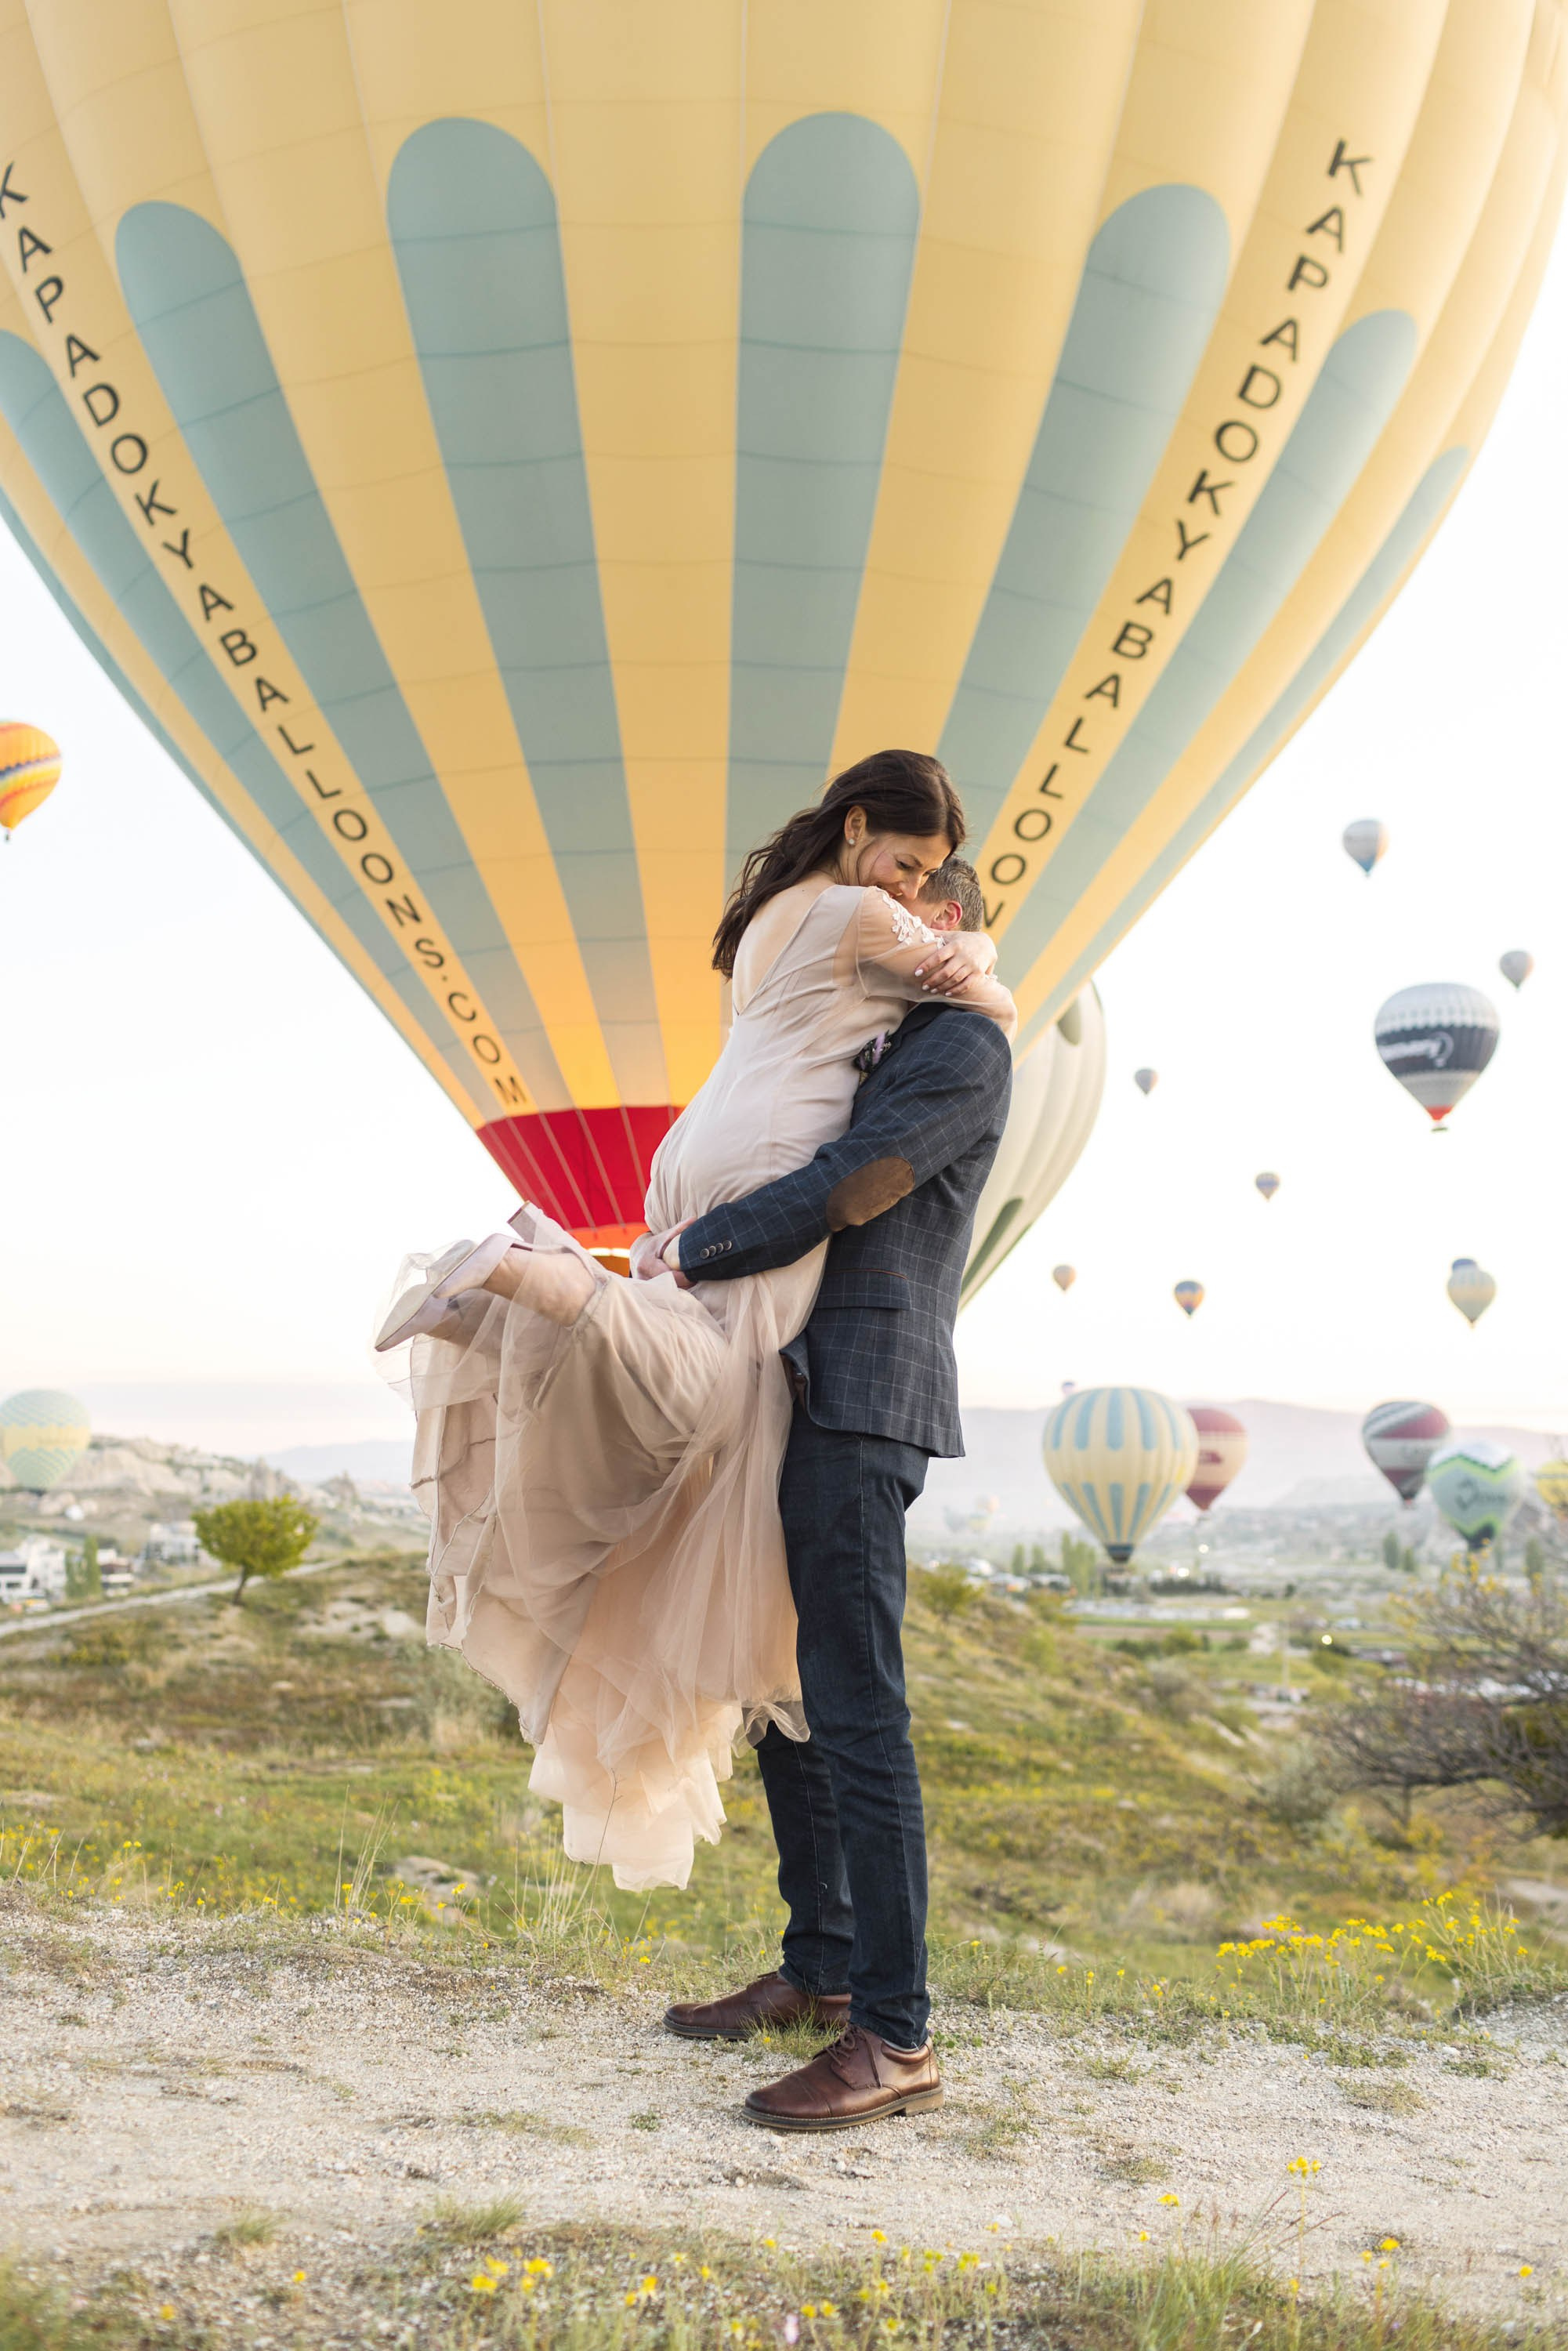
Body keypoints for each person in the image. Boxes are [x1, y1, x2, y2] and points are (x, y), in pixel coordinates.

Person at [377, 752, 1016, 1896]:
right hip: (762, 1172)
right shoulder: (867, 926)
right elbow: (889, 1130)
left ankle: (522, 1294)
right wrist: (979, 961)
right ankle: (539, 1280)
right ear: (860, 828)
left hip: (704, 1151)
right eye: (909, 868)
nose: (916, 898)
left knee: (683, 1390)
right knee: (713, 1383)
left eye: (932, 887)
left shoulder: (780, 920)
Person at [657, 855, 1011, 2129]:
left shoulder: (959, 1046)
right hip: (781, 1385)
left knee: (855, 1705)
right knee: (787, 1699)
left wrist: (694, 1248)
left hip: (861, 1391)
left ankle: (896, 2036)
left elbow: (858, 1181)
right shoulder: (858, 1031)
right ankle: (821, 1966)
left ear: (941, 921)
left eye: (893, 909)